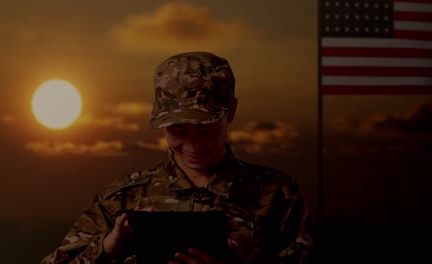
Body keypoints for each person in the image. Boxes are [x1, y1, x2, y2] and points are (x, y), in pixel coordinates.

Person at [40, 51, 313, 264]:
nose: (193, 145)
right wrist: (108, 248)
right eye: (177, 130)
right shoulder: (119, 200)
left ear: (230, 111)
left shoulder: (278, 195)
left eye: (205, 128)